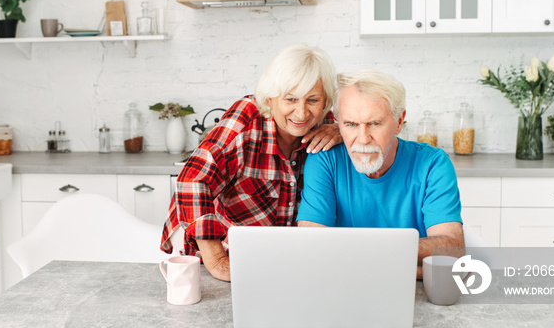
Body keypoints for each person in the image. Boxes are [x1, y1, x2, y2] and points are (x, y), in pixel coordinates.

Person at [160, 44, 341, 282]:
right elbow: (192, 179)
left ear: (325, 100)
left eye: (313, 100)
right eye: (290, 99)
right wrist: (216, 261)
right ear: (270, 98)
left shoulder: (325, 122)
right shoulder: (247, 118)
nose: (302, 112)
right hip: (212, 247)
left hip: (268, 257)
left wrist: (342, 130)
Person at [296, 70, 464, 278]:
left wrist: (358, 256)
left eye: (374, 124)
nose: (363, 138)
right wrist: (405, 264)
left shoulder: (432, 163)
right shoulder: (324, 159)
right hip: (345, 286)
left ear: (399, 122)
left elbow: (452, 249)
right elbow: (311, 248)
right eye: (351, 125)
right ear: (338, 124)